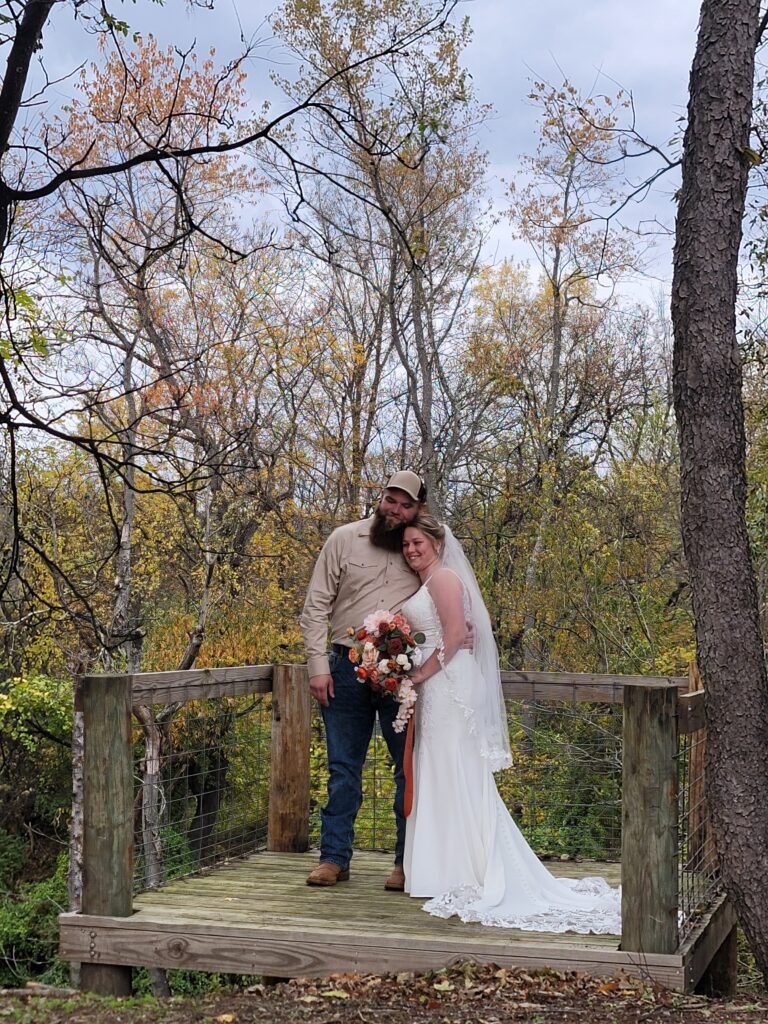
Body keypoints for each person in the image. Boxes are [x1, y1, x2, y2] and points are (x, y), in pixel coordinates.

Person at [400, 514, 621, 933]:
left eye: (418, 543)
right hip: (439, 685)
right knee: (441, 770)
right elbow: (450, 635)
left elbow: (450, 638)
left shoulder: (444, 580)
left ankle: (463, 871)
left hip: (449, 689)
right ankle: (444, 870)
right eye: (406, 544)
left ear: (437, 543)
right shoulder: (429, 583)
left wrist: (416, 676)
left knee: (456, 770)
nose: (411, 550)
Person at [300, 470, 427, 890]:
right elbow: (316, 604)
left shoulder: (420, 547)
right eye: (391, 500)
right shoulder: (343, 539)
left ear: (417, 509)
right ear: (381, 498)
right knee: (342, 768)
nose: (395, 510)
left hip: (402, 673)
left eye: (405, 504)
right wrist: (317, 667)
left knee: (407, 769)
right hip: (344, 667)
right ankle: (334, 858)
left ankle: (405, 863)